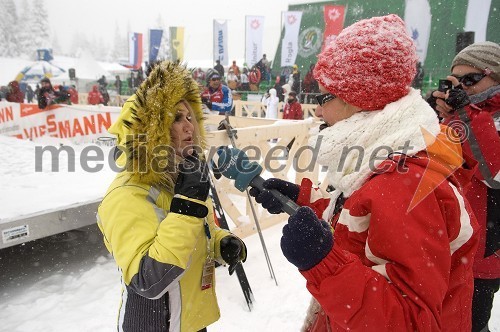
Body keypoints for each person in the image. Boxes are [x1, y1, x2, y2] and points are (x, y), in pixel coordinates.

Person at [249, 14, 479, 331]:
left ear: (358, 101)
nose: (317, 110)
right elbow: (365, 233)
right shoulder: (388, 160)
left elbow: (410, 322)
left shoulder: (405, 185)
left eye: (323, 97)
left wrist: (323, 264)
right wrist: (306, 203)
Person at [97, 60, 247, 332]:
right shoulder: (126, 195)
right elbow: (149, 279)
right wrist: (186, 210)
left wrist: (221, 245)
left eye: (191, 117)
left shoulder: (183, 179)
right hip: (152, 325)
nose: (189, 126)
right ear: (151, 130)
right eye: (176, 118)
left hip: (189, 321)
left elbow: (197, 234)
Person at [427, 41, 499, 332]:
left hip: (483, 253)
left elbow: (493, 173)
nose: (464, 88)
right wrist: (437, 117)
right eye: (457, 81)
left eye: (471, 79)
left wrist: (463, 113)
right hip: (446, 247)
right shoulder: (464, 114)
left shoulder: (478, 116)